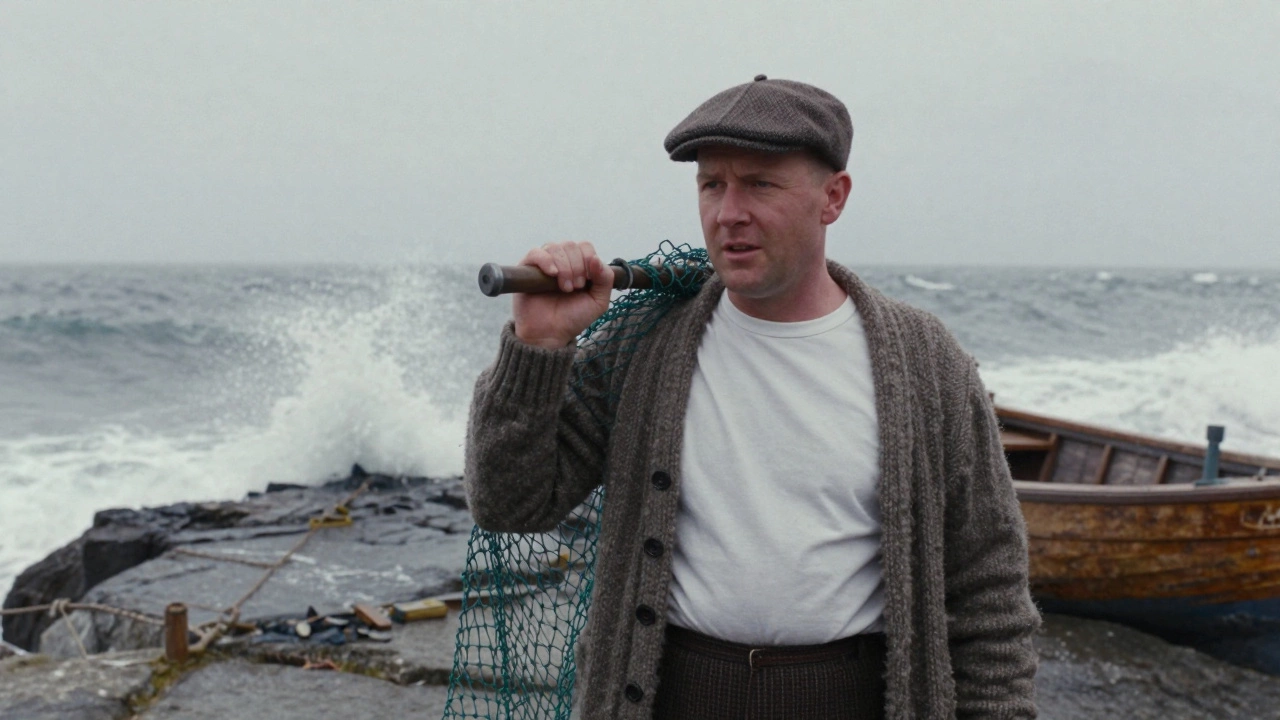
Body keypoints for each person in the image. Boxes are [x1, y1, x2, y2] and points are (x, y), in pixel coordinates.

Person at [465, 75, 1040, 720]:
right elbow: (508, 503)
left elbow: (988, 588)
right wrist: (536, 347)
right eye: (712, 184)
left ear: (834, 197)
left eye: (760, 184)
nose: (727, 212)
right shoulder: (642, 341)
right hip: (664, 697)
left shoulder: (925, 361)